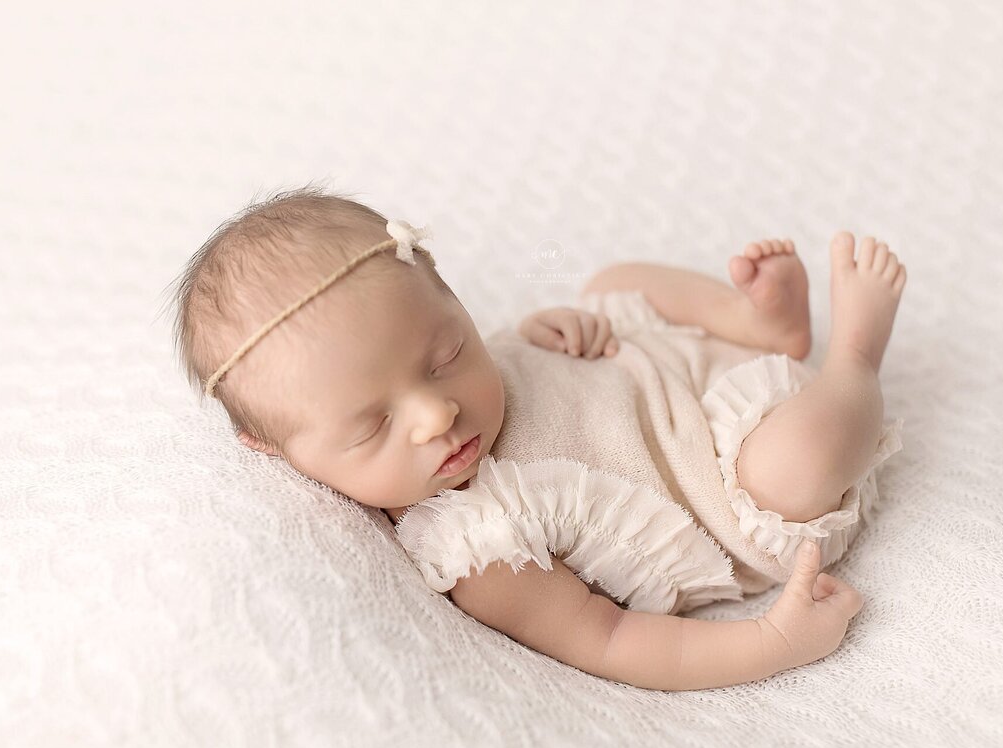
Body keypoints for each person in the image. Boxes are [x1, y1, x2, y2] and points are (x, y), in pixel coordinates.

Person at [167, 185, 907, 691]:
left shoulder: (449, 367)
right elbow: (612, 642)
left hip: (678, 372)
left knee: (610, 279)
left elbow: (548, 372)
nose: (436, 416)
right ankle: (855, 359)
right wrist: (771, 644)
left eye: (445, 355)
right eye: (374, 425)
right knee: (801, 460)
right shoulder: (482, 551)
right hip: (733, 486)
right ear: (272, 445)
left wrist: (549, 336)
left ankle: (757, 327)